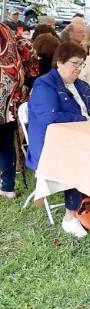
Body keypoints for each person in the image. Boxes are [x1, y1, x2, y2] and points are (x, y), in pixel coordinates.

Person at [27, 42, 90, 237]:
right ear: (59, 62)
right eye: (74, 63)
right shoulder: (44, 84)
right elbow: (49, 117)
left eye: (82, 64)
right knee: (81, 158)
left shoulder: (81, 85)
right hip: (51, 145)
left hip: (83, 137)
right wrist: (82, 119)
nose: (78, 68)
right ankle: (70, 217)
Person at [0, 23, 24, 199]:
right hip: (9, 98)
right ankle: (8, 187)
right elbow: (27, 50)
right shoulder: (7, 29)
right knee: (6, 145)